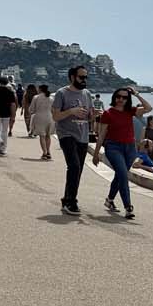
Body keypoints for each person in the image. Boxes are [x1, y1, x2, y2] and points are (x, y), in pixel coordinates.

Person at [93, 86, 153, 218]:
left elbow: (149, 108)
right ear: (114, 97)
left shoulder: (130, 111)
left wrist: (136, 94)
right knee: (123, 175)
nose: (121, 99)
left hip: (130, 148)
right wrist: (96, 154)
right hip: (113, 147)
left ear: (128, 99)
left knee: (120, 175)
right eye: (118, 96)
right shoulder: (108, 113)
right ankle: (128, 207)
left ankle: (109, 200)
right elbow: (101, 135)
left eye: (124, 97)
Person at [51, 65, 94, 214]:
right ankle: (71, 202)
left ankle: (66, 199)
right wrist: (71, 111)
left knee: (78, 170)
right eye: (81, 77)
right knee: (74, 166)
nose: (84, 80)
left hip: (83, 136)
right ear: (72, 77)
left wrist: (94, 115)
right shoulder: (61, 93)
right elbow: (56, 116)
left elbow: (89, 117)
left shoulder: (87, 94)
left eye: (86, 77)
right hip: (66, 134)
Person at [29, 84, 54, 160]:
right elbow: (53, 109)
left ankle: (44, 153)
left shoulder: (36, 97)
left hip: (39, 117)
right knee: (48, 135)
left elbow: (31, 109)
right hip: (50, 117)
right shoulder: (51, 98)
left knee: (42, 136)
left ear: (40, 89)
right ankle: (48, 151)